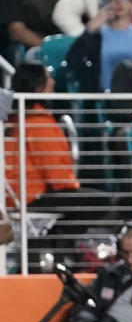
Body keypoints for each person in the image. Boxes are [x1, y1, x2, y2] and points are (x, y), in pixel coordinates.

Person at [4, 61, 79, 210]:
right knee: (101, 202)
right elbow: (55, 170)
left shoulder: (16, 118)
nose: (53, 81)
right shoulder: (38, 121)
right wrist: (71, 186)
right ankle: (56, 232)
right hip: (31, 198)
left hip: (18, 197)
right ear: (37, 85)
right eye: (48, 77)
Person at [65, 0, 132, 92]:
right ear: (103, 4)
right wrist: (89, 29)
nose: (118, 1)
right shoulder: (96, 36)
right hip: (104, 99)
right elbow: (72, 60)